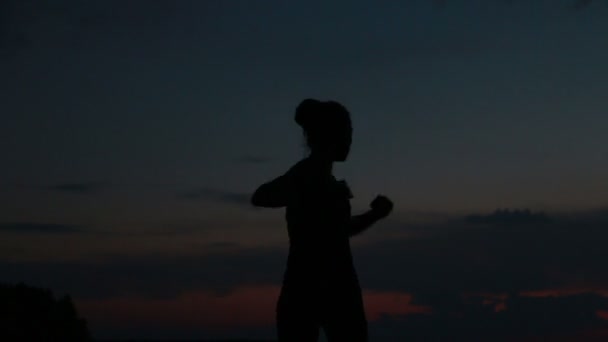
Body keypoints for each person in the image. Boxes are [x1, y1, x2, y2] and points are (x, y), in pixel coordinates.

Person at [251, 98, 393, 341]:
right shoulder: (308, 174)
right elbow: (261, 196)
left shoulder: (320, 178)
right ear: (331, 135)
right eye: (347, 133)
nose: (350, 140)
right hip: (317, 287)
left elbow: (338, 230)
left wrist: (374, 215)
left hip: (322, 286)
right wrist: (308, 188)